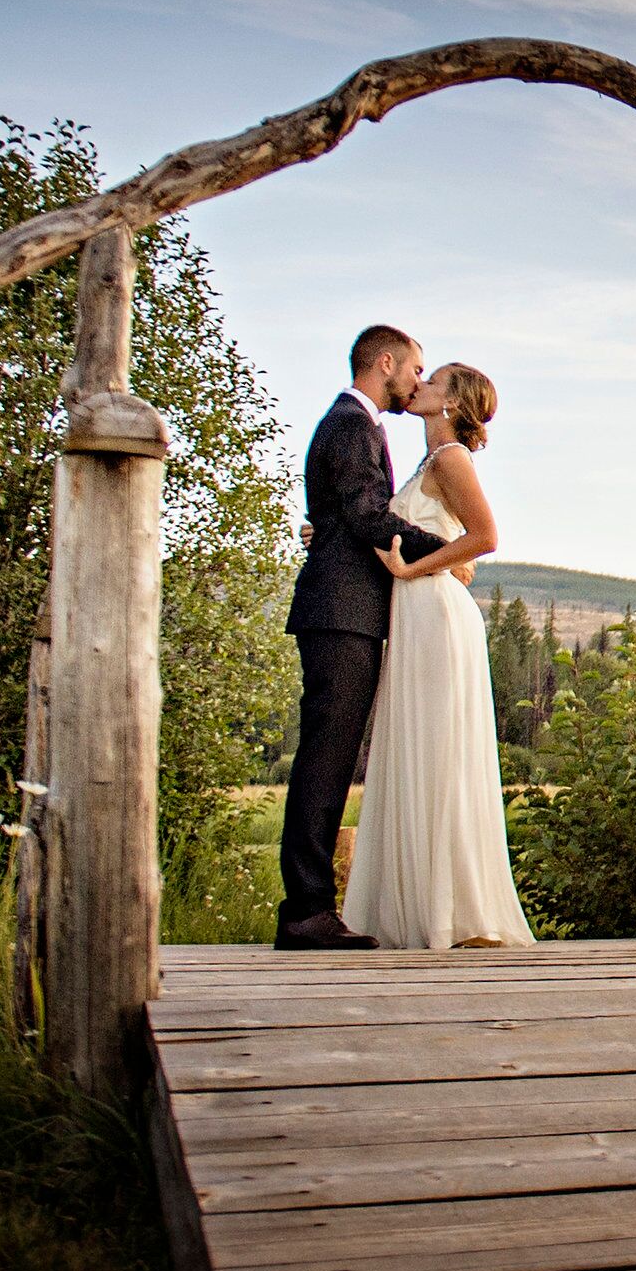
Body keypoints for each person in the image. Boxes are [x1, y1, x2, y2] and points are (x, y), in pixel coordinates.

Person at [343, 362, 534, 950]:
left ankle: (449, 910)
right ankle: (417, 904)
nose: (419, 384)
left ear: (451, 403)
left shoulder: (451, 458)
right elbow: (450, 544)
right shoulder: (431, 461)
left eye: (434, 380)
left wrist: (411, 567)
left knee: (438, 749)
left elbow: (484, 539)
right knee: (417, 747)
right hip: (417, 615)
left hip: (436, 614)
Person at [273, 325, 442, 951]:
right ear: (386, 362)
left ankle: (310, 908)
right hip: (341, 612)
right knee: (326, 758)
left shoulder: (354, 424)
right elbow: (370, 517)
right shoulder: (351, 423)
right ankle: (306, 912)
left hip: (346, 610)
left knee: (333, 757)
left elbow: (343, 516)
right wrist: (451, 550)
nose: (417, 383)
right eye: (414, 369)